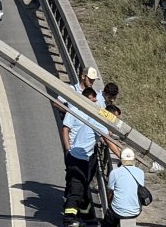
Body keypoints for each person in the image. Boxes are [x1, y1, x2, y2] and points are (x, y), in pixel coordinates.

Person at [63, 87, 118, 227]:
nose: (115, 122)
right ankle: (69, 220)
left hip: (78, 158)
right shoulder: (101, 125)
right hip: (78, 160)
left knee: (81, 187)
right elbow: (109, 142)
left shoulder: (96, 120)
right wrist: (122, 156)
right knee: (76, 190)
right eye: (115, 119)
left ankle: (85, 217)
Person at [105, 148, 145, 227]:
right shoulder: (141, 172)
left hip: (117, 211)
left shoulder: (115, 172)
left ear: (121, 159)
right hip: (135, 212)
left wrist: (109, 204)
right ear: (133, 159)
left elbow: (110, 193)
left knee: (108, 221)